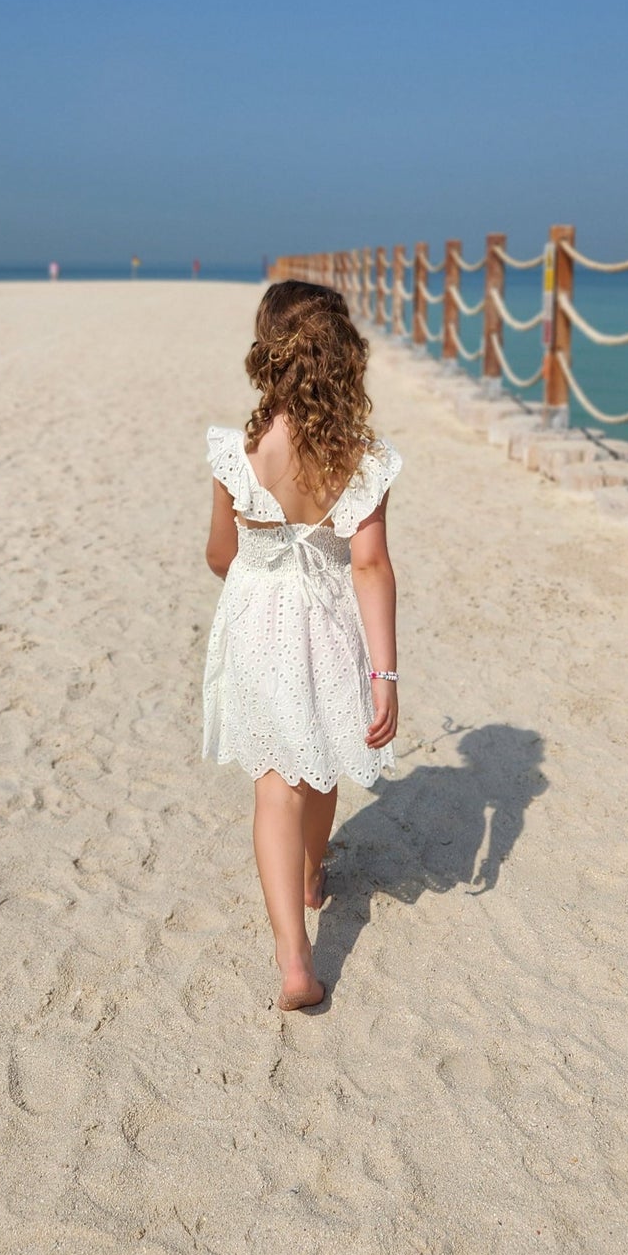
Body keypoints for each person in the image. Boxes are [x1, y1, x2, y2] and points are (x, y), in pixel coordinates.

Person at [202, 280, 402, 1011]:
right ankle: (313, 875)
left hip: (257, 619)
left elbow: (219, 554)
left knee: (273, 785)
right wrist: (384, 673)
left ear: (267, 354)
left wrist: (259, 570)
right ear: (344, 357)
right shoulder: (361, 457)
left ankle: (294, 958)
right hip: (328, 619)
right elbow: (373, 565)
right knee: (319, 763)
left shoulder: (238, 451)